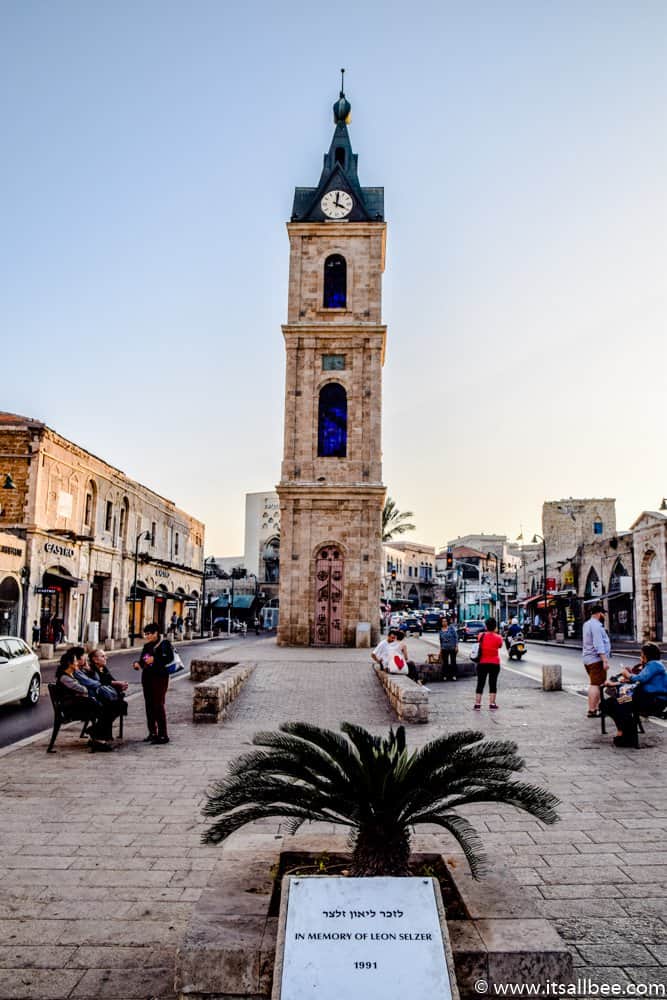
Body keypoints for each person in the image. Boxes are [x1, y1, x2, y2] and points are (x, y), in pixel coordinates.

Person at [603, 643, 667, 747]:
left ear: (646, 656)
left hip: (652, 700)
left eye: (641, 655)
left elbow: (641, 679)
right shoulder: (653, 665)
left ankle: (625, 736)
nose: (641, 657)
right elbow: (641, 678)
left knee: (616, 704)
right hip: (645, 698)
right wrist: (630, 676)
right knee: (612, 703)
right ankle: (624, 733)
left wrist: (627, 674)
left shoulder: (654, 664)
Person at [55, 647, 115, 752]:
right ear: (70, 663)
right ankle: (98, 738)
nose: (77, 663)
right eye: (75, 661)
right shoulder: (65, 677)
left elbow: (89, 685)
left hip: (79, 702)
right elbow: (84, 688)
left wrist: (89, 674)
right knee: (107, 707)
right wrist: (83, 690)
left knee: (110, 706)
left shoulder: (72, 673)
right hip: (72, 708)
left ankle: (97, 736)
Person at [132, 623, 173, 744]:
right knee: (149, 705)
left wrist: (155, 659)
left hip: (160, 678)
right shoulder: (147, 646)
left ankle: (163, 734)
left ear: (156, 633)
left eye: (149, 634)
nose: (147, 636)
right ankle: (152, 732)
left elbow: (168, 659)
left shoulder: (165, 644)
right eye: (146, 634)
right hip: (147, 677)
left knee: (158, 705)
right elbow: (143, 660)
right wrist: (137, 664)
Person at [582, 604, 611, 718]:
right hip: (596, 659)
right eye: (603, 613)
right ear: (599, 614)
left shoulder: (587, 624)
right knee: (595, 684)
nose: (603, 616)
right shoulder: (596, 626)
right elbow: (598, 643)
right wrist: (604, 660)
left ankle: (597, 708)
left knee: (597, 684)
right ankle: (592, 710)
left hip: (588, 658)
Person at [473, 617, 504, 711]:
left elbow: (479, 642)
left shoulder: (481, 635)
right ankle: (492, 703)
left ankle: (477, 704)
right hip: (494, 663)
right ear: (495, 627)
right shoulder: (498, 637)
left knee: (480, 683)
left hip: (482, 662)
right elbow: (500, 646)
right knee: (493, 683)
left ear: (486, 626)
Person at [439, 617, 459, 681]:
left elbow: (456, 637)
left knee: (453, 662)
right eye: (443, 621)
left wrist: (456, 646)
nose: (444, 622)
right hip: (444, 648)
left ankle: (454, 675)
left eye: (445, 621)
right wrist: (441, 649)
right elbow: (441, 641)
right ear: (441, 623)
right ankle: (445, 675)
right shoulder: (441, 630)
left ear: (447, 622)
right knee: (445, 663)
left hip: (452, 648)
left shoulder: (451, 628)